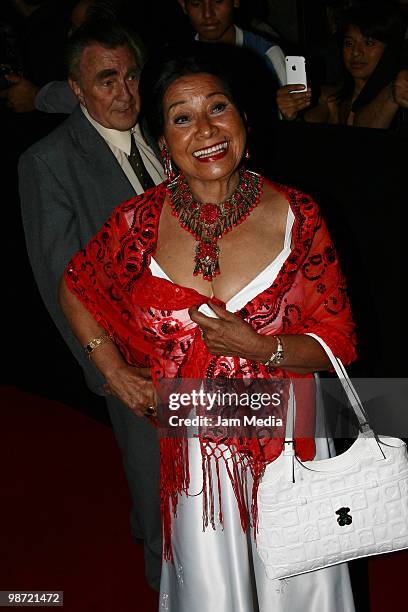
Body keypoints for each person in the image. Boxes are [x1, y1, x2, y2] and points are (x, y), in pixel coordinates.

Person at [58, 42, 357, 611]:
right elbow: (75, 284)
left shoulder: (299, 215)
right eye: (182, 118)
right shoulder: (137, 222)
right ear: (163, 143)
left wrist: (261, 347)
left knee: (301, 594)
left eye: (217, 108)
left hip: (291, 447)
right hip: (197, 461)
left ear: (244, 117)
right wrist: (114, 372)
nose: (205, 130)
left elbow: (338, 345)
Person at [18, 20, 164, 591]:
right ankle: (169, 590)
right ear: (77, 90)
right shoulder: (47, 163)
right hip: (128, 358)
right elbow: (58, 281)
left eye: (131, 76)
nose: (125, 93)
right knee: (160, 496)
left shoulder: (160, 130)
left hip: (193, 345)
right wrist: (109, 373)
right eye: (107, 81)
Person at [277, 1, 408, 129]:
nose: (356, 52)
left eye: (368, 43)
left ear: (389, 49)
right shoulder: (329, 99)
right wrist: (291, 115)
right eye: (349, 43)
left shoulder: (400, 95)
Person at [177, 0, 286, 86]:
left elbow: (293, 108)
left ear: (235, 1)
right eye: (196, 3)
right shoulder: (177, 63)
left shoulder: (267, 55)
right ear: (183, 5)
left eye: (218, 1)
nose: (208, 14)